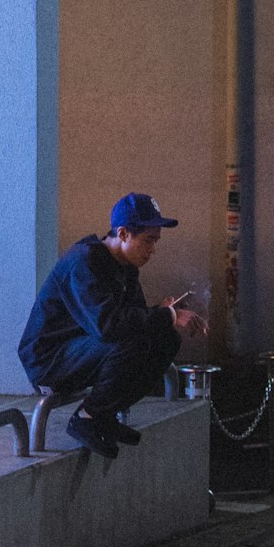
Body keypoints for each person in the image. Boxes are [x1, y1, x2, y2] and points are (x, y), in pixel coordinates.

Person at [18, 193, 207, 459]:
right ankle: (88, 416)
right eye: (149, 240)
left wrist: (164, 313)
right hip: (48, 362)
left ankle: (103, 416)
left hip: (82, 350)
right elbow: (108, 326)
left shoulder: (126, 267)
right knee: (136, 338)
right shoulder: (85, 262)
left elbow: (134, 317)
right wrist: (167, 316)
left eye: (156, 241)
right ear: (123, 233)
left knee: (166, 338)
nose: (153, 249)